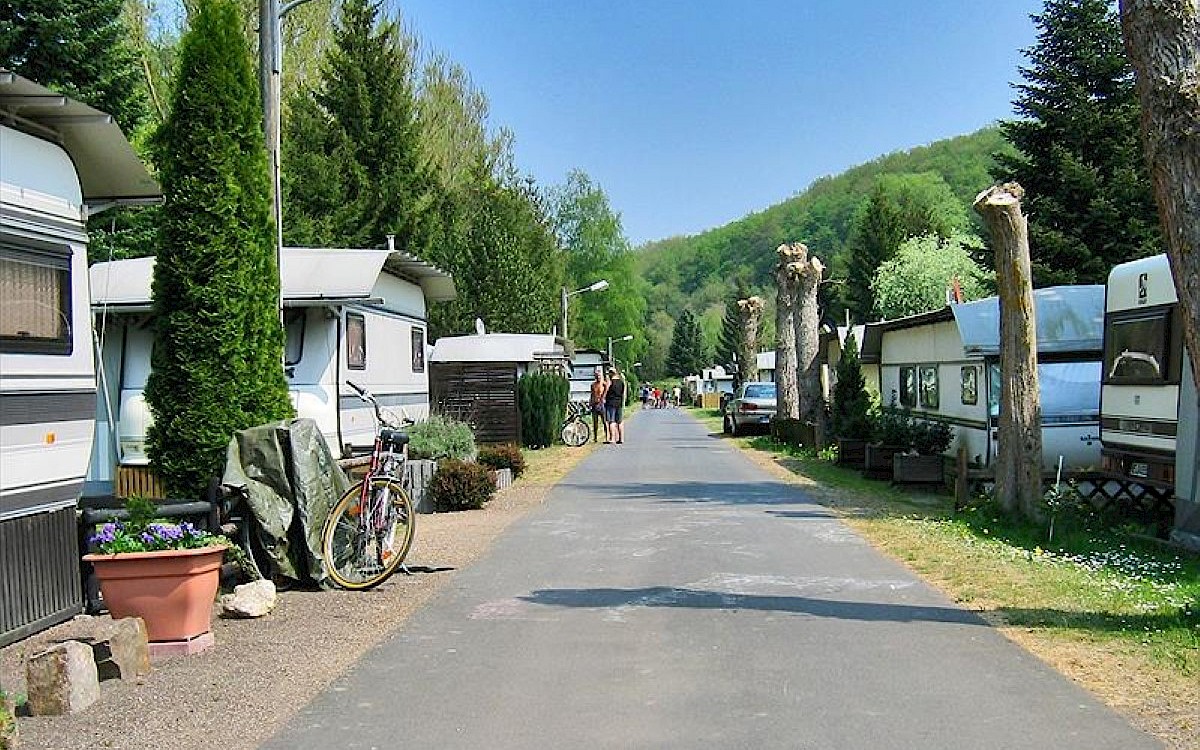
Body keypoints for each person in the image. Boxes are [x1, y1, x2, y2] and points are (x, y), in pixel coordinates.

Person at [604, 367, 627, 444]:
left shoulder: (610, 382)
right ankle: (621, 438)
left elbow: (606, 391)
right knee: (619, 421)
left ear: (611, 373)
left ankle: (612, 438)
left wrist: (603, 398)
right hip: (619, 403)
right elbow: (623, 393)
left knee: (611, 421)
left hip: (610, 403)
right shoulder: (621, 382)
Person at [589, 367, 609, 443]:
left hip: (601, 404)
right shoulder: (593, 385)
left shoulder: (603, 384)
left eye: (599, 376)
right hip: (594, 404)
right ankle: (595, 437)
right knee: (595, 422)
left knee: (604, 421)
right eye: (596, 376)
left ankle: (607, 436)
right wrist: (590, 402)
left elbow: (606, 391)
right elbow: (592, 394)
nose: (598, 377)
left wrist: (603, 397)